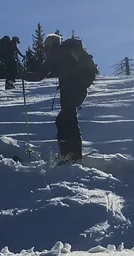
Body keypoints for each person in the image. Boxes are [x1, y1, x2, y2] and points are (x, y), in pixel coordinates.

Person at [24, 33, 98, 162]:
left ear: (50, 44)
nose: (46, 50)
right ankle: (72, 154)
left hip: (71, 89)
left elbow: (40, 75)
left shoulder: (56, 52)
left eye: (46, 46)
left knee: (65, 120)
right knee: (67, 119)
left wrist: (23, 75)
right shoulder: (68, 52)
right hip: (80, 89)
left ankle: (70, 155)